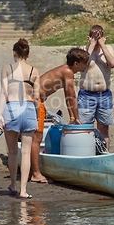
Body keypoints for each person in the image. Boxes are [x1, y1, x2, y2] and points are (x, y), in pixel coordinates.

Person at [30, 48, 90, 183]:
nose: (87, 65)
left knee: (34, 137)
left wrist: (73, 118)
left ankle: (34, 170)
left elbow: (68, 97)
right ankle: (35, 174)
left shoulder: (64, 70)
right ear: (76, 63)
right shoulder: (68, 72)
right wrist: (78, 118)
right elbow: (73, 96)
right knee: (36, 139)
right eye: (85, 63)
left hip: (34, 99)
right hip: (34, 100)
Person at [0, 38, 40, 199]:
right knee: (26, 152)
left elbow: (3, 92)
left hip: (12, 108)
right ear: (27, 54)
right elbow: (36, 98)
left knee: (13, 152)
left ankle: (14, 186)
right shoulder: (34, 71)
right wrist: (35, 115)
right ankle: (23, 190)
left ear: (14, 53)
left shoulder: (7, 68)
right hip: (28, 108)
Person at [78, 25, 114, 149]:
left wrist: (102, 45)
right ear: (89, 37)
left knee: (103, 129)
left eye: (99, 35)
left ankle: (104, 153)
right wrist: (92, 45)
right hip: (86, 94)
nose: (97, 37)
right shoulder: (83, 49)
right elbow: (84, 63)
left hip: (104, 95)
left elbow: (112, 63)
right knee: (85, 128)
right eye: (94, 35)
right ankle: (86, 153)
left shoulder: (108, 48)